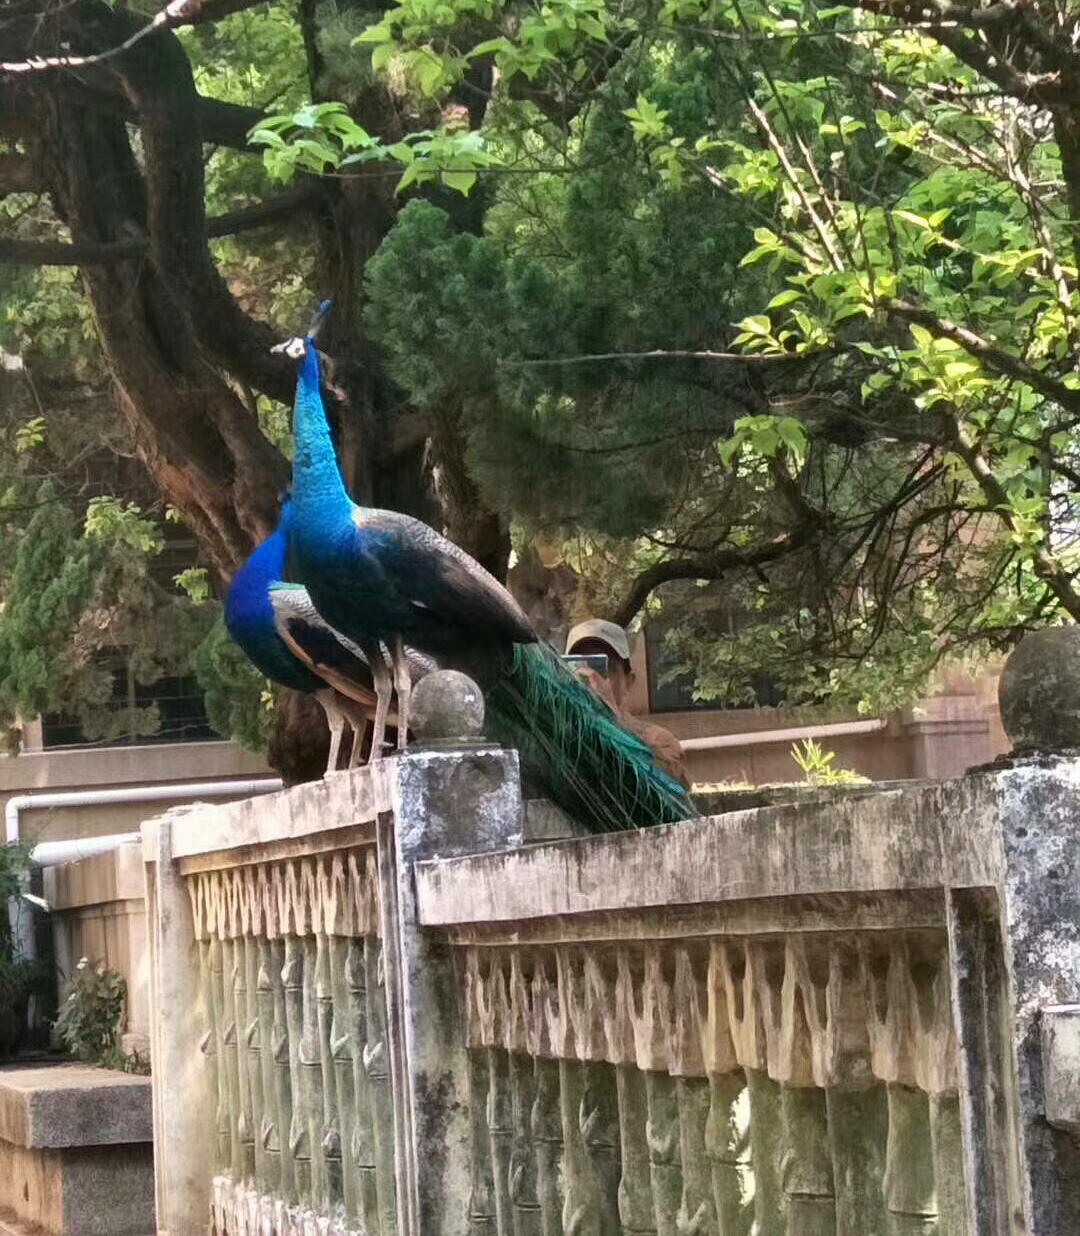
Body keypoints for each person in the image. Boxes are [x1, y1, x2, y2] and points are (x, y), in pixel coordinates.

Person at [565, 618, 690, 789]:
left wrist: (611, 721)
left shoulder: (659, 740)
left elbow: (668, 794)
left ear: (628, 681)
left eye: (603, 667)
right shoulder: (556, 735)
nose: (591, 676)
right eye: (579, 665)